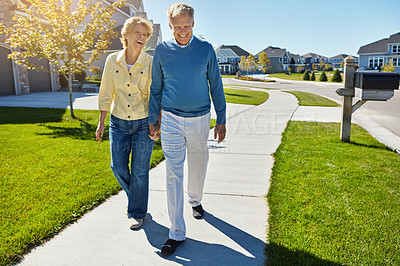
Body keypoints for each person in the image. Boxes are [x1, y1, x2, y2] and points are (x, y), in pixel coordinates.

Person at [148, 3, 226, 256]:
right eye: (177, 27)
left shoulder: (205, 50)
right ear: (170, 26)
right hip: (170, 118)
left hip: (200, 118)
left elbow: (216, 84)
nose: (182, 31)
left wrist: (221, 119)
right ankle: (176, 232)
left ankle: (195, 199)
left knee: (198, 164)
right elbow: (156, 88)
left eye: (187, 26)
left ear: (194, 24)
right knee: (173, 173)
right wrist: (153, 117)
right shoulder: (162, 51)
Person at [95, 17, 154, 230]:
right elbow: (105, 92)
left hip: (142, 122)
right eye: (137, 32)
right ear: (126, 35)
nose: (142, 37)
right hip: (118, 123)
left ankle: (138, 212)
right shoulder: (112, 60)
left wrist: (155, 123)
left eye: (145, 34)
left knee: (139, 170)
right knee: (118, 166)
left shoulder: (149, 62)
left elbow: (153, 95)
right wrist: (101, 122)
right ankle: (136, 200)